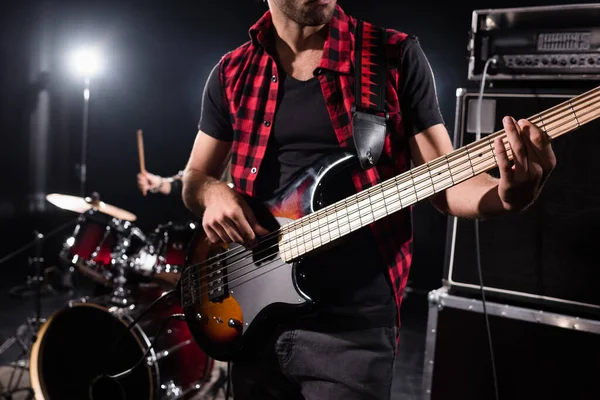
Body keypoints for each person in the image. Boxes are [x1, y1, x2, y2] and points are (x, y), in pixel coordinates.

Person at [181, 1, 556, 399]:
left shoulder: (391, 54)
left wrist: (507, 195)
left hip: (353, 335)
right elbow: (194, 179)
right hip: (254, 320)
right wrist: (213, 192)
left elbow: (444, 182)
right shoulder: (234, 71)